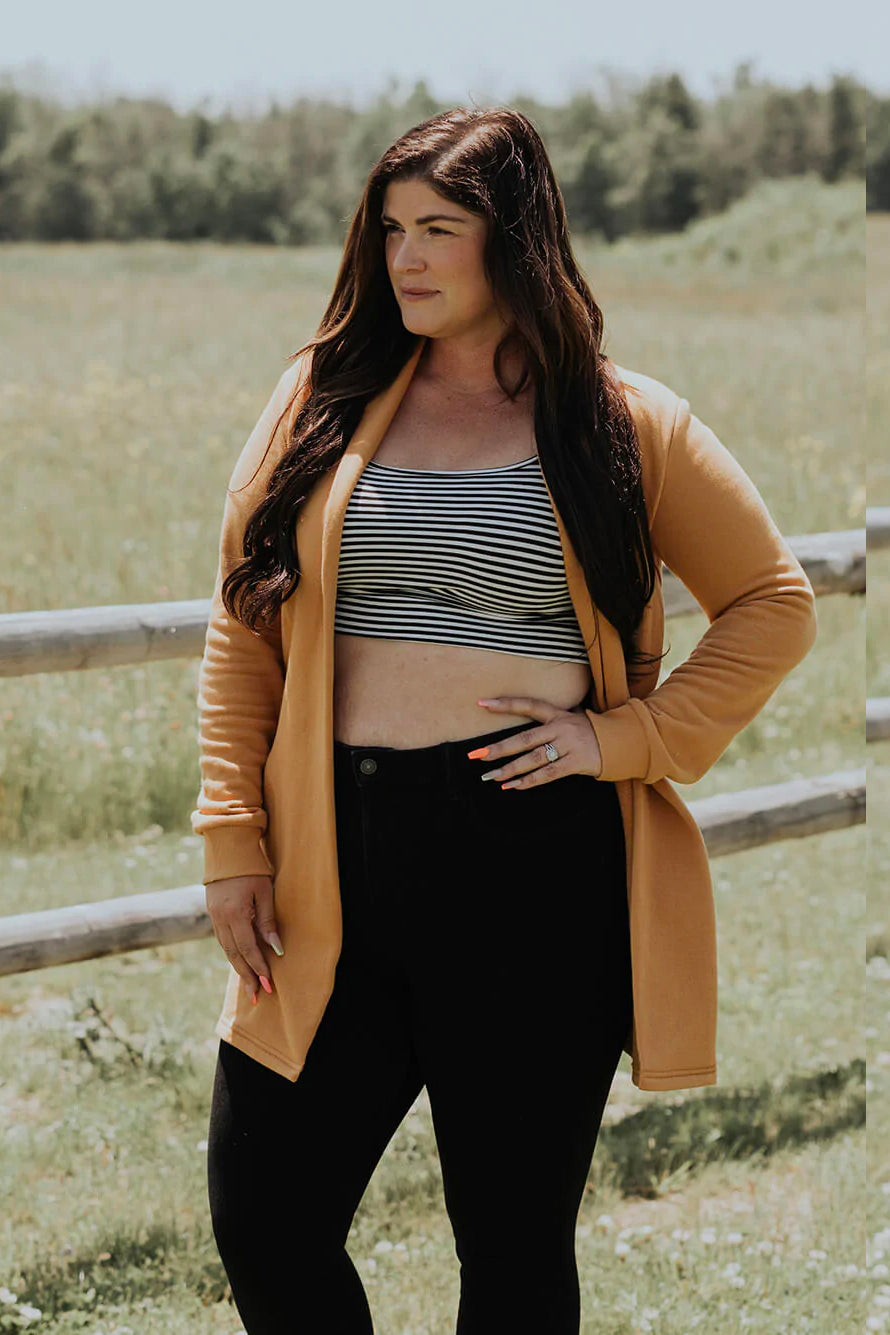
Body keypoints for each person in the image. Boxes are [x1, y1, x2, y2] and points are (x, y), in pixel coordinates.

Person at [192, 107, 817, 1334]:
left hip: (535, 866)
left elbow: (769, 604)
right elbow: (241, 627)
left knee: (512, 1252)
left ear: (515, 240)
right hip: (337, 856)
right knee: (265, 1217)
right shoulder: (317, 400)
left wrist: (620, 740)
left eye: (439, 229)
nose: (405, 259)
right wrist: (233, 839)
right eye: (388, 231)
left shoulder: (623, 421)